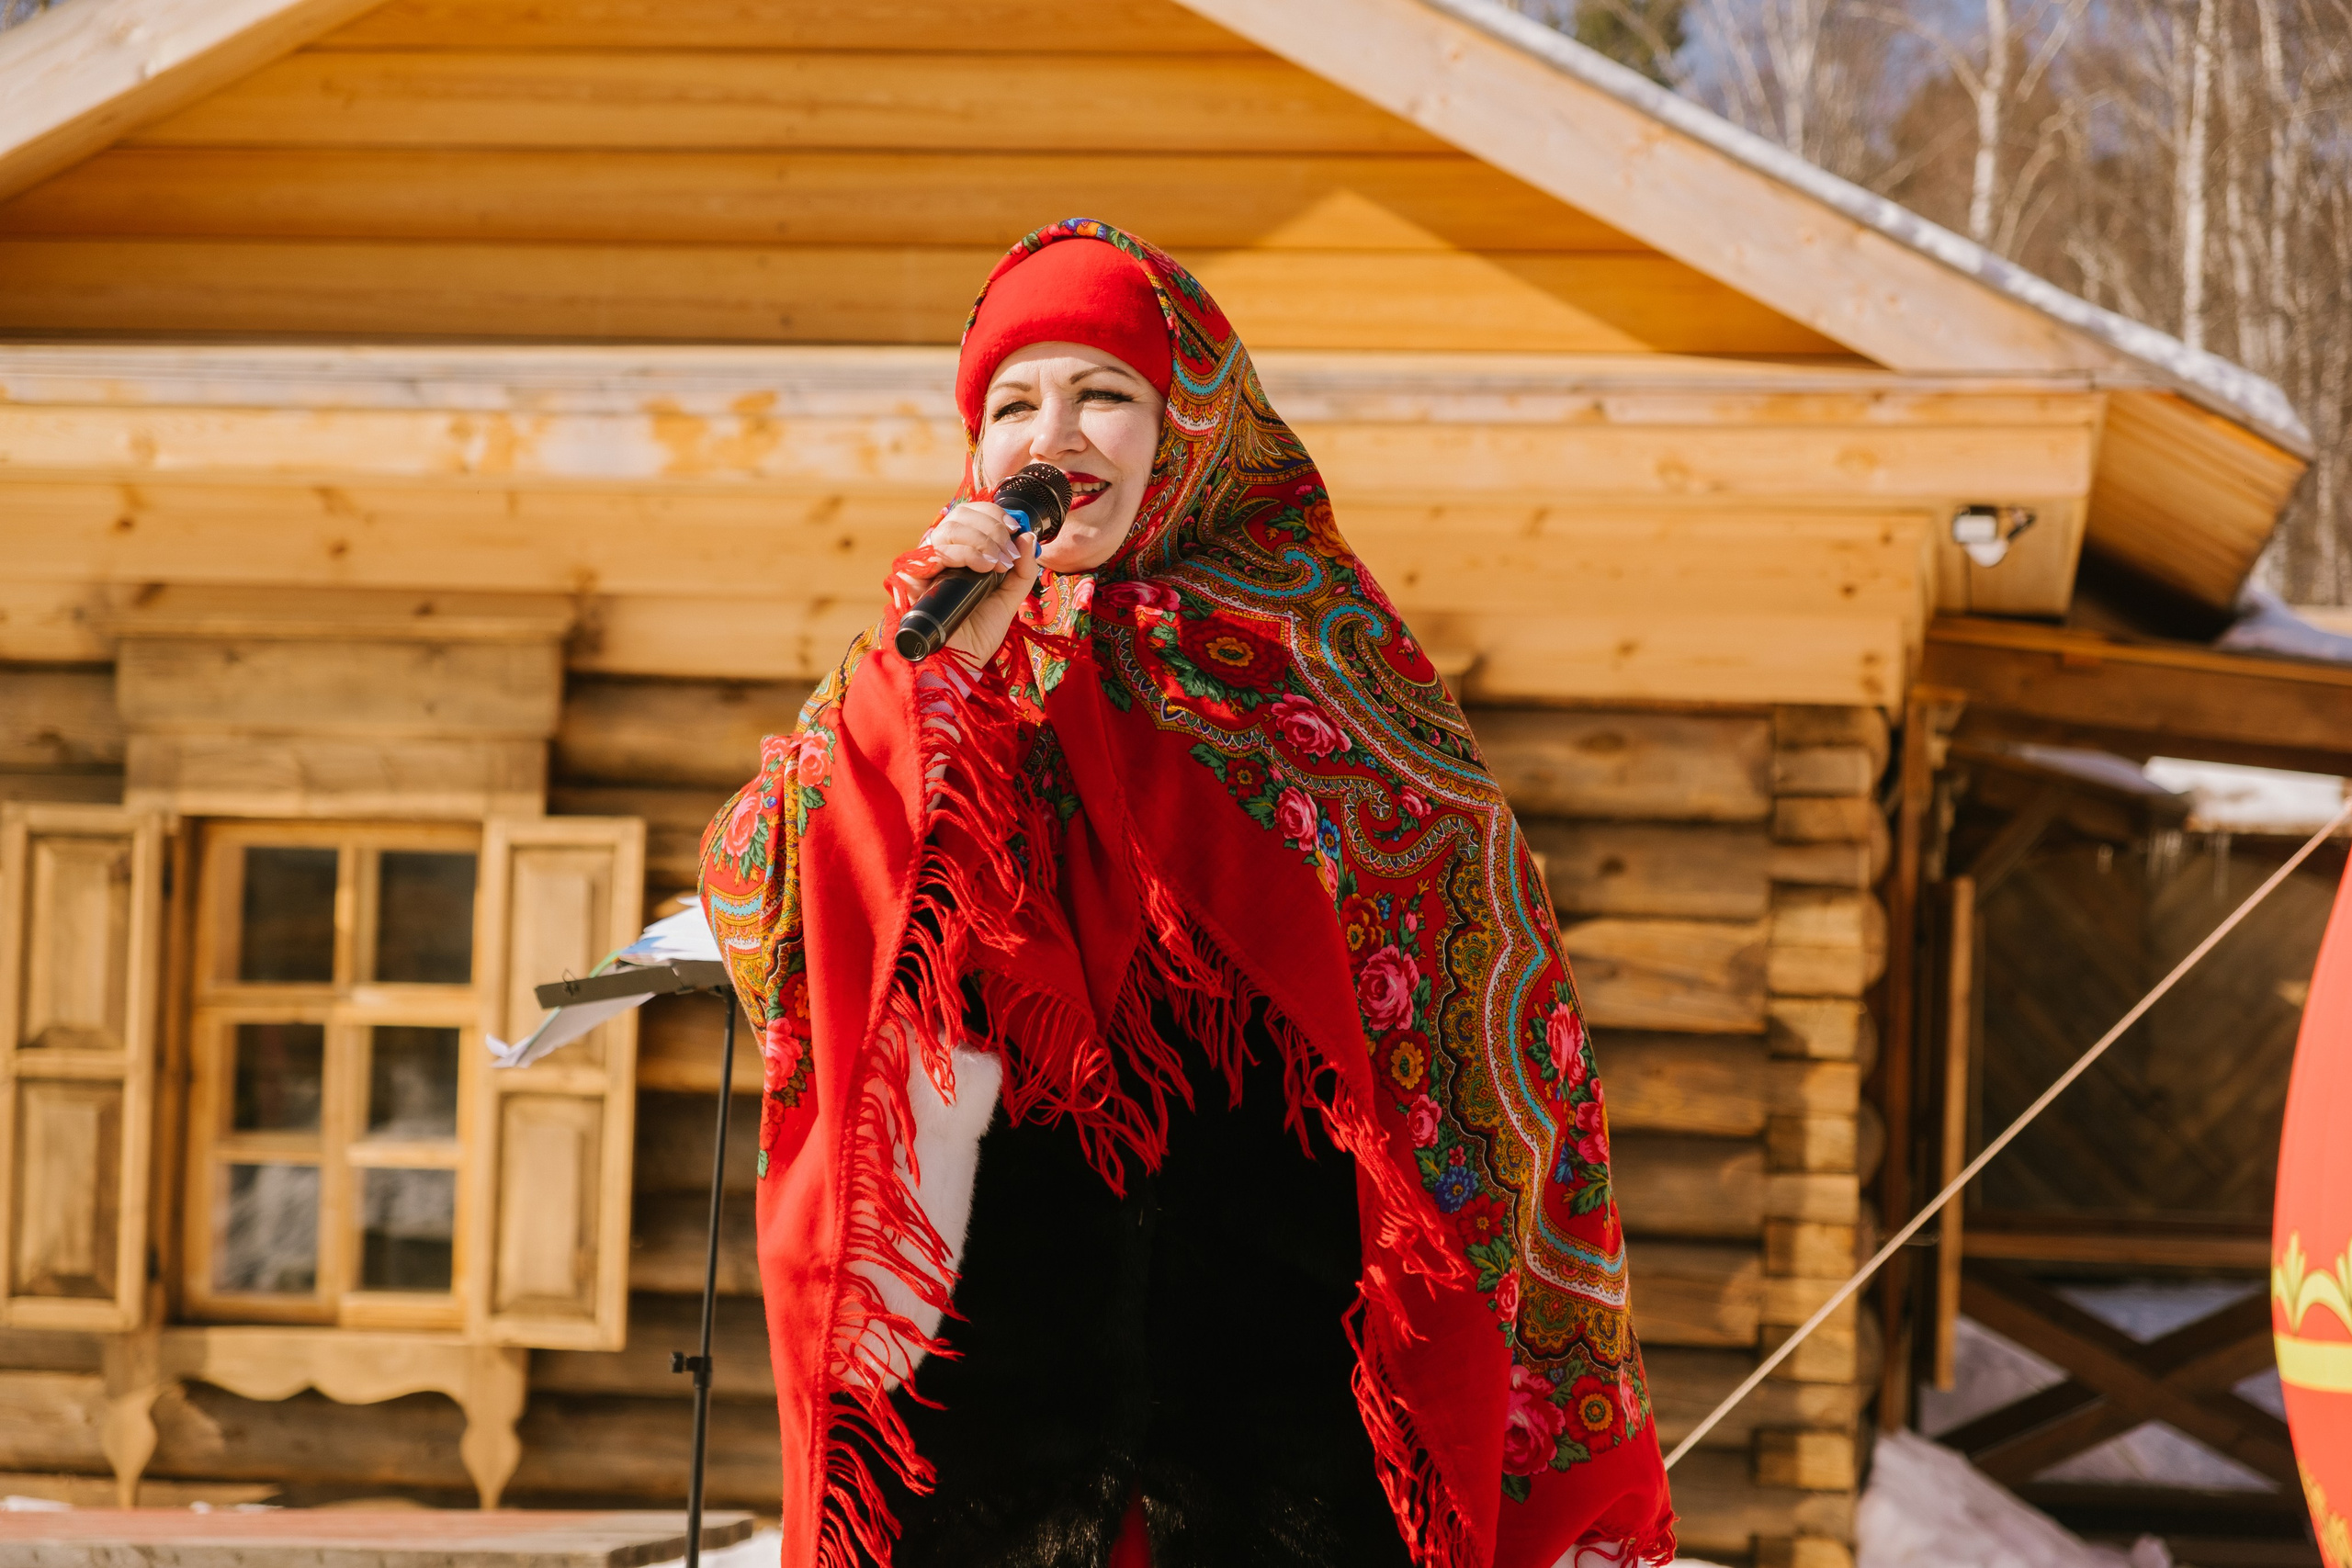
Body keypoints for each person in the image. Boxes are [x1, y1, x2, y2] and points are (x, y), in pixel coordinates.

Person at [700, 219, 1676, 1568]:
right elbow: (761, 893)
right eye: (1013, 406)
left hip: (1290, 1398)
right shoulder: (933, 652)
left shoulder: (1322, 660)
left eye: (1104, 394)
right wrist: (925, 696)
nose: (1056, 438)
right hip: (999, 1395)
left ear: (1195, 429)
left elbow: (1476, 960)